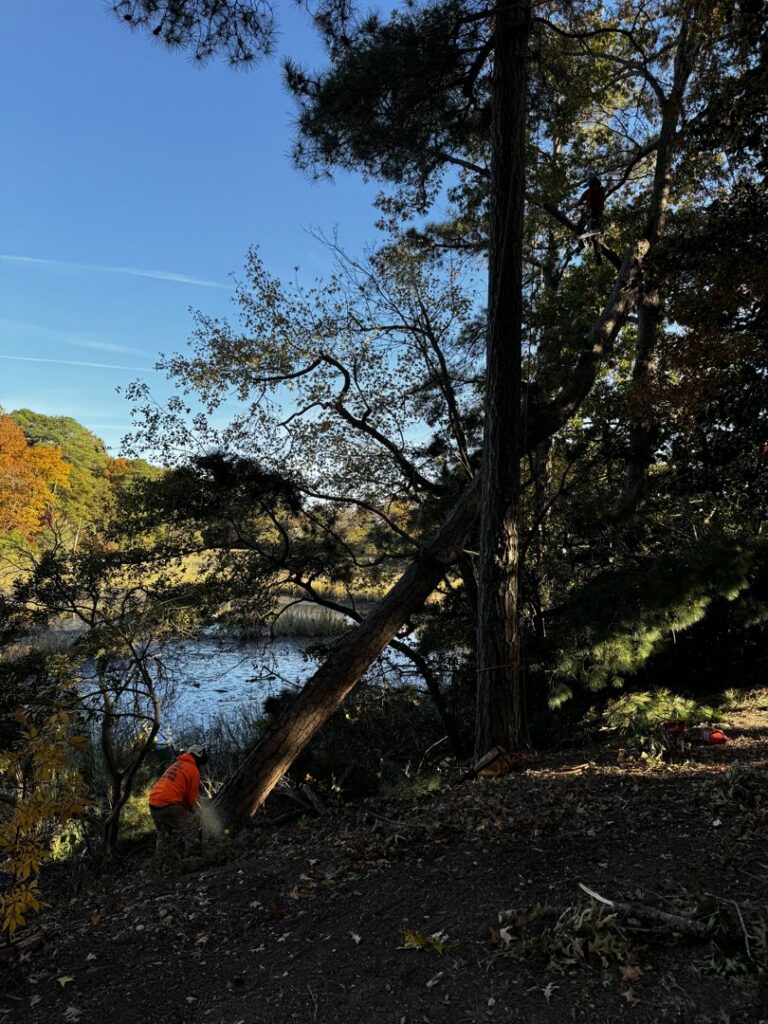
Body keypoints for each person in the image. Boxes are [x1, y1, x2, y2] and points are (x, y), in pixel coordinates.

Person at [148, 745, 208, 849]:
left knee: (163, 834)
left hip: (154, 803)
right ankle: (193, 857)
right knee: (192, 826)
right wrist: (197, 812)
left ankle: (161, 861)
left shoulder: (177, 764)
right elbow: (191, 799)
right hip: (169, 804)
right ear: (199, 754)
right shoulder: (193, 770)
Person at [577, 171, 607, 262]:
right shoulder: (588, 192)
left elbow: (606, 188)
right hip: (590, 213)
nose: (595, 187)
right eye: (594, 185)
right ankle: (582, 243)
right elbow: (579, 202)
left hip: (596, 214)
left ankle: (597, 254)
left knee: (594, 235)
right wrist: (571, 206)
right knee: (580, 226)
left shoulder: (600, 190)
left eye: (596, 185)